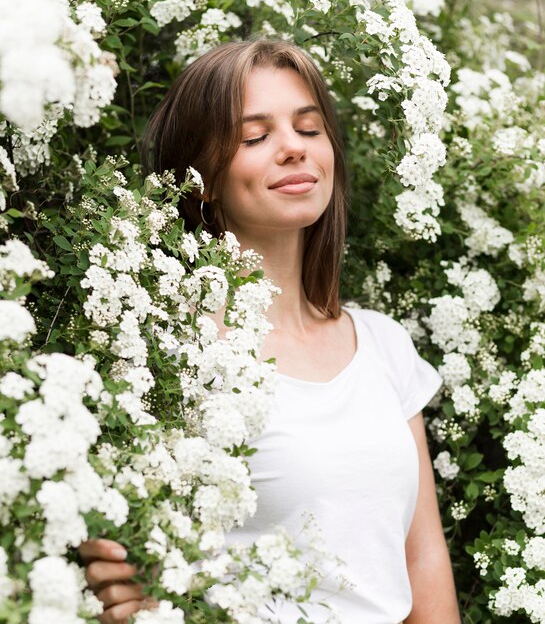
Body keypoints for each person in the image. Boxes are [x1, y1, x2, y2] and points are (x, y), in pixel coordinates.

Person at [80, 38, 462, 624]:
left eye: (309, 129)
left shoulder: (384, 344)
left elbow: (422, 560)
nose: (292, 149)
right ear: (201, 179)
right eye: (254, 137)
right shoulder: (167, 356)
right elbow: (133, 570)